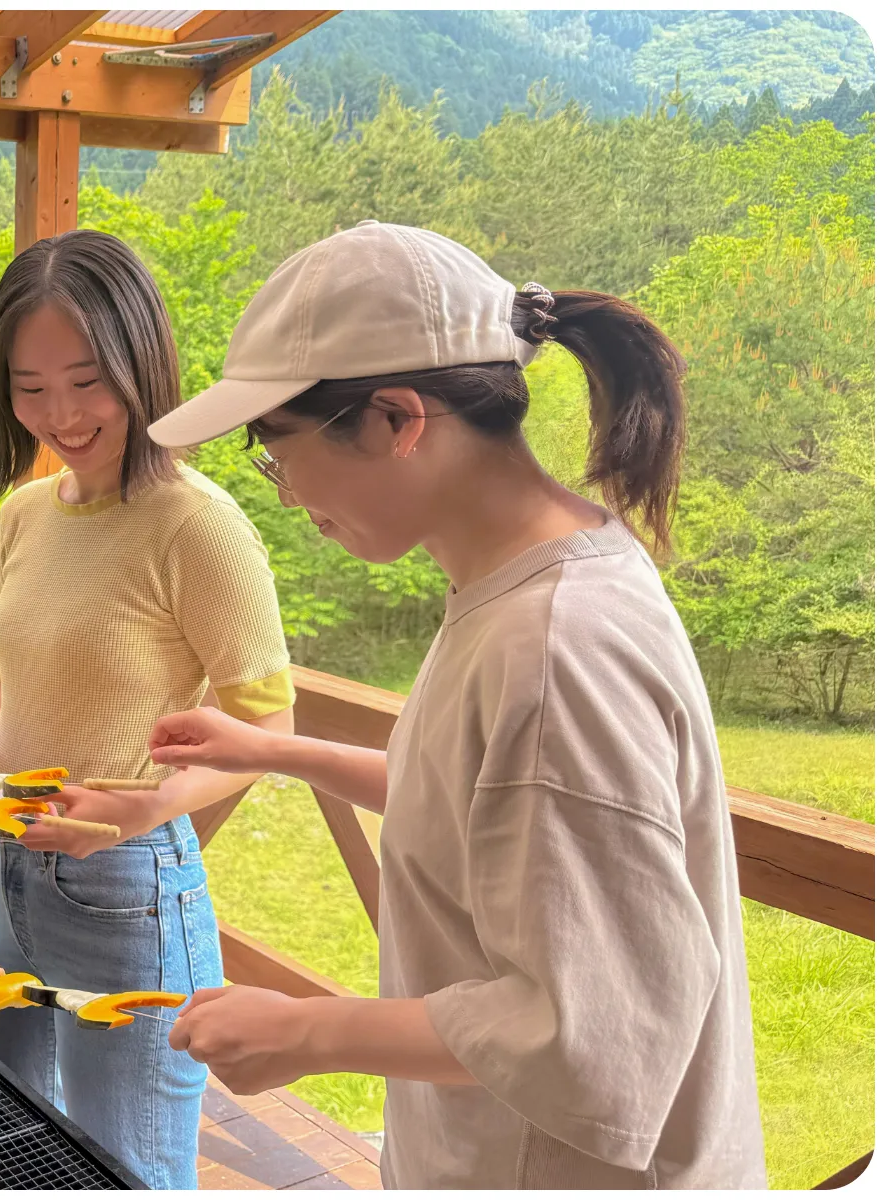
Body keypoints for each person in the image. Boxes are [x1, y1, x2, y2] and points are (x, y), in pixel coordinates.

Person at [145, 221, 766, 1188]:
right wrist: (273, 751)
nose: (285, 492)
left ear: (397, 419)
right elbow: (484, 805)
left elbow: (586, 1025)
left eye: (277, 453)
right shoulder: (522, 586)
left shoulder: (559, 647)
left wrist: (308, 1030)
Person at [0, 229, 296, 1189]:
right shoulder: (27, 512)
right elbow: (3, 664)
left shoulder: (198, 525)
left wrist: (141, 808)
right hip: (10, 857)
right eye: (30, 386)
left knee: (123, 1163)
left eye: (88, 379)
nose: (61, 413)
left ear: (143, 362)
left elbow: (270, 734)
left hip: (127, 887)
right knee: (2, 1134)